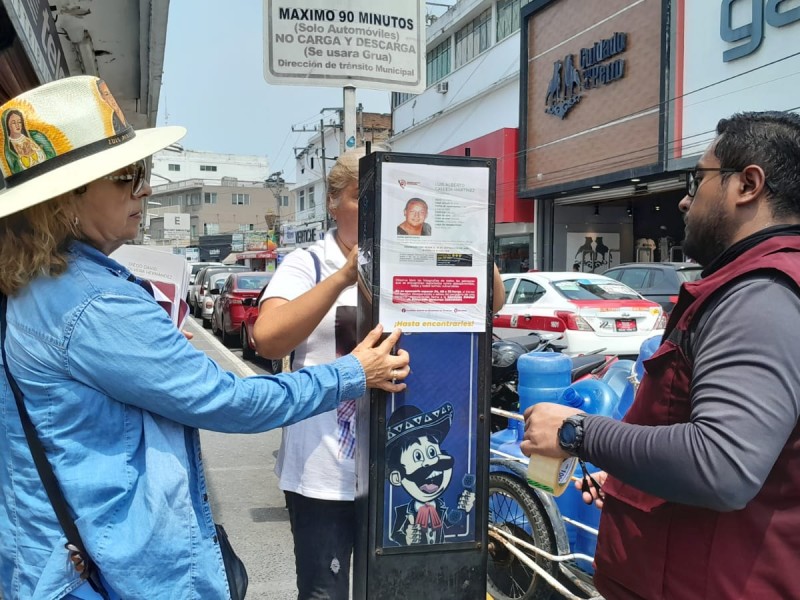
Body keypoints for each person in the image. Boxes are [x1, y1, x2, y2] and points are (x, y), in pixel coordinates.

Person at [0, 76, 410, 600]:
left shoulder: (43, 285)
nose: (144, 189)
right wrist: (355, 373)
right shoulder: (93, 302)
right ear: (65, 199)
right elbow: (229, 399)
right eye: (128, 175)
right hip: (114, 569)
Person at [521, 111, 800, 599]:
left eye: (699, 178)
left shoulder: (761, 297)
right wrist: (633, 475)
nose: (686, 198)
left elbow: (723, 465)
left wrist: (576, 432)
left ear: (748, 184)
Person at [253, 148, 506, 599]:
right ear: (333, 203)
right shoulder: (308, 263)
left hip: (400, 466)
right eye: (361, 198)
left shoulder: (416, 254)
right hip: (325, 470)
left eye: (382, 200)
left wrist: (465, 235)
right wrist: (343, 277)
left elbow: (494, 301)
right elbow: (268, 339)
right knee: (323, 592)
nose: (374, 213)